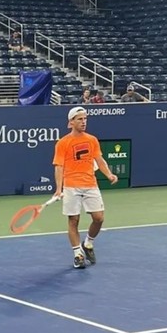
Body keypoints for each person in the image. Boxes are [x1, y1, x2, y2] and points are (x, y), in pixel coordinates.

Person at [53, 106, 118, 269]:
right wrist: (58, 188)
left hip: (90, 184)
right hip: (71, 186)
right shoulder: (63, 143)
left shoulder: (92, 140)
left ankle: (88, 244)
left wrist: (109, 174)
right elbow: (59, 166)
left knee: (99, 218)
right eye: (80, 119)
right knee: (73, 220)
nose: (83, 122)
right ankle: (78, 254)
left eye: (85, 119)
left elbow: (99, 160)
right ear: (71, 123)